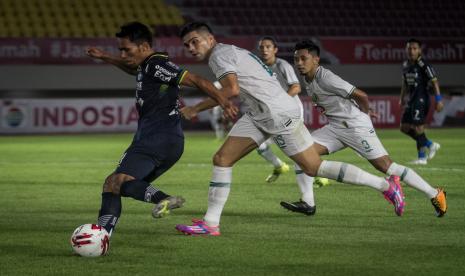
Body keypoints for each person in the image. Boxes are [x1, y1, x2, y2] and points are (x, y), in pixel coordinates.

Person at [175, 22, 406, 236]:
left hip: (277, 114)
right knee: (222, 159)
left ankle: (386, 186)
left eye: (195, 41)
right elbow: (235, 89)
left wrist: (196, 108)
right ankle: (211, 224)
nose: (191, 48)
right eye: (187, 45)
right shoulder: (227, 51)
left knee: (313, 167)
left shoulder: (219, 55)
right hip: (260, 113)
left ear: (210, 39)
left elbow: (232, 90)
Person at [85, 22, 237, 236]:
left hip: (157, 138)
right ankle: (102, 235)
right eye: (120, 50)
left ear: (144, 46)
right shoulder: (146, 65)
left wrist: (223, 101)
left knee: (115, 182)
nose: (123, 54)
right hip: (163, 139)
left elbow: (196, 79)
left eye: (126, 49)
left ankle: (158, 202)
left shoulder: (157, 65)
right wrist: (105, 57)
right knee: (118, 184)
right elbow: (131, 67)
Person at [280, 40, 447, 218]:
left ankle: (435, 194)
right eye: (296, 59)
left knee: (387, 167)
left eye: (303, 59)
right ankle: (308, 202)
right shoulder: (308, 78)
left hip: (355, 127)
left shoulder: (325, 77)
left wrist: (365, 112)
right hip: (336, 127)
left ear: (316, 60)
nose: (298, 63)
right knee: (302, 154)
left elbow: (360, 94)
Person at [400, 38, 443, 165]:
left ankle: (422, 158)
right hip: (411, 99)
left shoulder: (423, 64)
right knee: (404, 127)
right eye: (409, 48)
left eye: (414, 48)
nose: (411, 51)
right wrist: (401, 98)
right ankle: (430, 144)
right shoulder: (405, 65)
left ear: (419, 50)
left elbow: (434, 81)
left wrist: (438, 100)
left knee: (418, 127)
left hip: (421, 99)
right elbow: (404, 83)